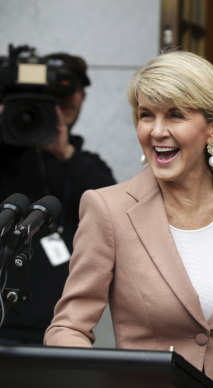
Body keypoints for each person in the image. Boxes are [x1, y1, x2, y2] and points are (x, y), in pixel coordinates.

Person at [44, 50, 213, 388]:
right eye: (146, 115)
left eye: (174, 115)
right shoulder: (107, 209)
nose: (157, 131)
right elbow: (68, 327)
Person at [0, 52, 116, 344]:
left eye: (66, 94)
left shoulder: (85, 164)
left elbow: (114, 211)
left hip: (60, 326)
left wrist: (64, 152)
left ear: (81, 97)